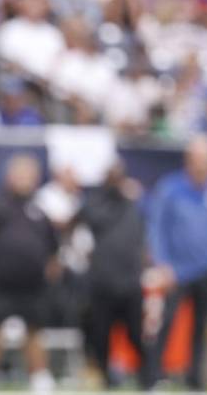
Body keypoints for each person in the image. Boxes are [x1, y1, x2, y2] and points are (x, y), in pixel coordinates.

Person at [146, 135, 207, 390]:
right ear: (188, 160)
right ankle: (154, 376)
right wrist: (162, 263)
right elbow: (156, 229)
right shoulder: (170, 188)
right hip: (175, 271)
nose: (202, 165)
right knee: (165, 323)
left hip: (206, 270)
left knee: (201, 328)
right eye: (198, 159)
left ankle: (194, 377)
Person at [0, 153, 59, 395]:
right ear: (9, 177)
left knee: (35, 331)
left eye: (29, 175)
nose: (24, 179)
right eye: (20, 174)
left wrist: (51, 268)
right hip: (1, 282)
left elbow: (52, 246)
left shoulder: (41, 209)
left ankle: (40, 379)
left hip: (34, 284)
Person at [76, 161, 151, 389]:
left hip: (130, 280)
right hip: (103, 281)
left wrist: (135, 196)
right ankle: (107, 379)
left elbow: (149, 220)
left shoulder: (135, 203)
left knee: (136, 334)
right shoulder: (97, 201)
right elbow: (92, 217)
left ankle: (148, 378)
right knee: (101, 334)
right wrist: (118, 196)